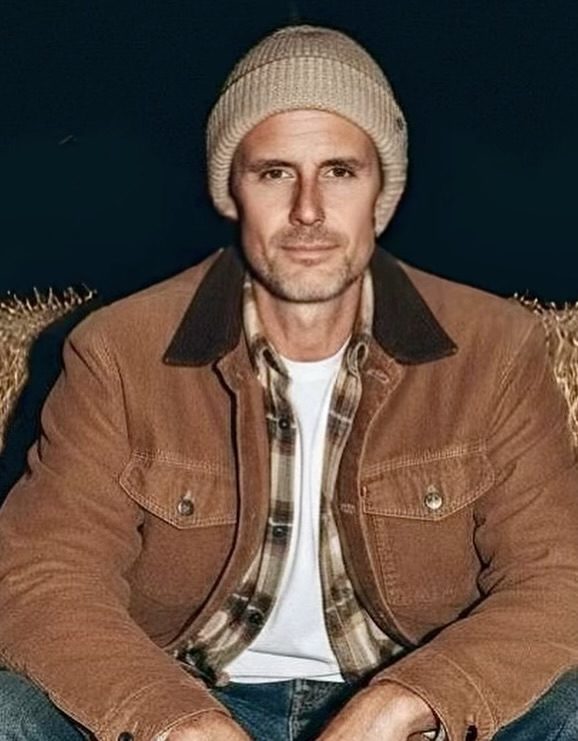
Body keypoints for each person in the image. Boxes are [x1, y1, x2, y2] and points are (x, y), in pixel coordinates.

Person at [0, 24, 578, 741]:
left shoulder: (493, 348)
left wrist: (410, 700)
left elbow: (559, 575)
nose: (308, 209)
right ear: (231, 191)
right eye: (274, 172)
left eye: (340, 171)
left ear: (383, 194)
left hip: (409, 701)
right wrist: (173, 720)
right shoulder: (118, 351)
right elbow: (43, 574)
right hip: (192, 691)